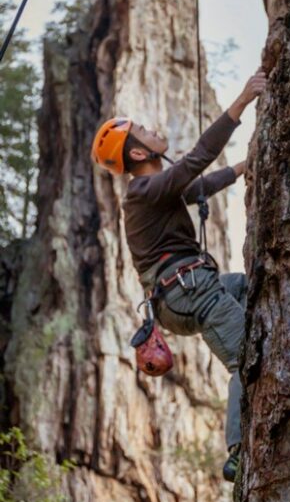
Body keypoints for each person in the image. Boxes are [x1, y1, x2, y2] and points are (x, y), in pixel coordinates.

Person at [91, 68, 267, 481]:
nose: (153, 132)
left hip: (184, 292)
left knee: (246, 287)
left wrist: (245, 166)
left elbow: (196, 186)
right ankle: (239, 451)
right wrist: (242, 101)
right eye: (144, 132)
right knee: (246, 359)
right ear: (136, 154)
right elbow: (195, 162)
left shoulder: (156, 192)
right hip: (188, 292)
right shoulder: (141, 192)